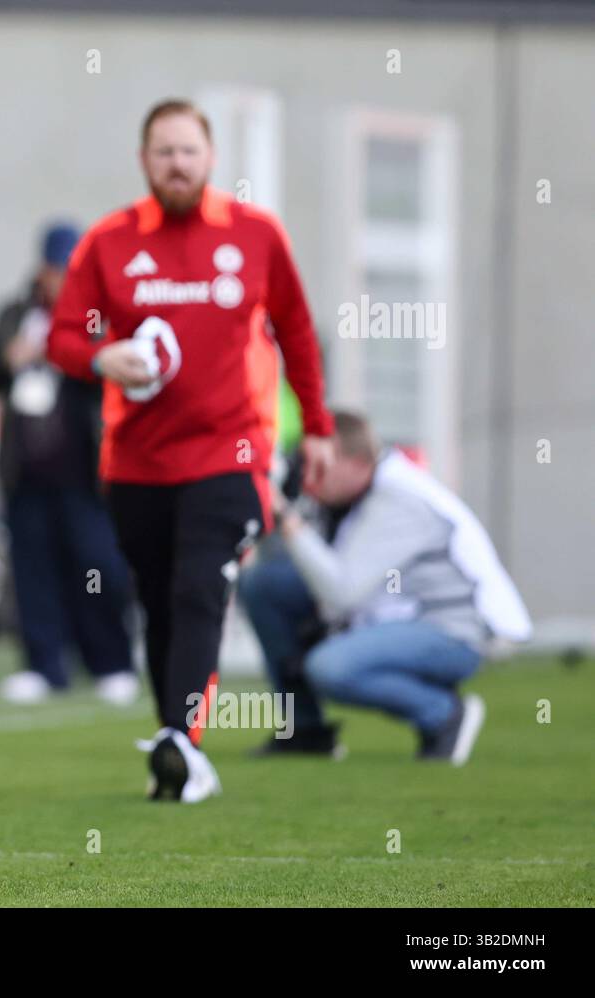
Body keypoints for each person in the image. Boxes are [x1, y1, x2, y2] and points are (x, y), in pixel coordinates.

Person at [46, 98, 335, 803]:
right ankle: (175, 742)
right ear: (143, 160)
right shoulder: (108, 241)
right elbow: (63, 337)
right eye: (164, 151)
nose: (177, 164)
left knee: (200, 585)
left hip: (231, 453)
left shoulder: (256, 234)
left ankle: (183, 740)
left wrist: (318, 427)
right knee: (159, 601)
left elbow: (297, 331)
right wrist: (103, 357)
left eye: (188, 151)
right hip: (137, 462)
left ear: (211, 158)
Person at [239, 411, 531, 764]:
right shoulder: (346, 495)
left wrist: (286, 516)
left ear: (358, 463)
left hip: (455, 630)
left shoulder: (399, 498)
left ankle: (443, 714)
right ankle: (306, 731)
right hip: (397, 613)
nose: (309, 476)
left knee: (330, 666)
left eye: (320, 465)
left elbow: (340, 592)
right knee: (265, 584)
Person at [0, 221, 138, 706]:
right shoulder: (15, 313)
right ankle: (44, 665)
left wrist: (61, 352)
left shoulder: (99, 314)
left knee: (97, 565)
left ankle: (110, 662)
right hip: (27, 468)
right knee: (32, 568)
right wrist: (10, 357)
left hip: (84, 470)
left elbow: (116, 374)